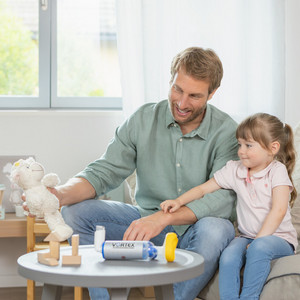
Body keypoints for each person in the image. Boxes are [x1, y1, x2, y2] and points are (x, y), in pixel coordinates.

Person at [41, 47, 239, 300]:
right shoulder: (143, 119)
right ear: (170, 80)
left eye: (194, 96)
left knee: (217, 229)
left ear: (212, 94)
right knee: (75, 212)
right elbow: (104, 170)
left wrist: (164, 218)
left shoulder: (227, 132)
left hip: (195, 229)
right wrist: (59, 195)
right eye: (177, 89)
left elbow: (222, 199)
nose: (182, 103)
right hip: (146, 224)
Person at [161, 113, 298, 300]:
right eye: (240, 144)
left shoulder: (277, 171)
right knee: (228, 255)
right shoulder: (235, 169)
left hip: (279, 239)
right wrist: (178, 201)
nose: (241, 151)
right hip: (246, 237)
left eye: (249, 145)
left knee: (260, 248)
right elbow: (203, 189)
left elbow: (279, 210)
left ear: (273, 148)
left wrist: (258, 239)